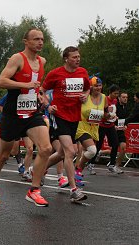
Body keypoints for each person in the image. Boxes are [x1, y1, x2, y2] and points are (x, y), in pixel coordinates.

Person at [0, 28, 52, 207]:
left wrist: (40, 95)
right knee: (4, 154)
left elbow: (37, 85)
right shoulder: (17, 59)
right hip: (13, 115)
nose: (40, 42)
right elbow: (1, 81)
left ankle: (34, 190)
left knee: (46, 148)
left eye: (42, 39)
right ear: (26, 41)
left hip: (31, 113)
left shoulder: (42, 61)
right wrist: (26, 84)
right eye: (36, 39)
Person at [41, 46, 90, 201]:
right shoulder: (55, 74)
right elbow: (41, 91)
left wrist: (85, 96)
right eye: (74, 57)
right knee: (70, 152)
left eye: (78, 57)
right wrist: (48, 106)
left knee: (62, 153)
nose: (77, 59)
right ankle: (74, 190)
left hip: (75, 117)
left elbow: (88, 89)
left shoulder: (83, 72)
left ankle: (39, 170)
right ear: (66, 59)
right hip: (60, 116)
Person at [74, 76, 111, 185]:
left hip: (94, 128)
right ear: (90, 86)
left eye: (99, 85)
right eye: (95, 86)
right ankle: (78, 170)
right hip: (82, 127)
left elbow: (105, 113)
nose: (98, 88)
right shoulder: (85, 97)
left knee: (87, 153)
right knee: (92, 151)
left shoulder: (104, 97)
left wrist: (109, 116)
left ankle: (76, 174)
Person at [90, 84, 121, 174]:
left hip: (110, 125)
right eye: (115, 93)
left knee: (115, 144)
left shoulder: (115, 101)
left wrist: (115, 117)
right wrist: (108, 116)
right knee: (98, 145)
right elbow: (100, 111)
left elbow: (113, 112)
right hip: (102, 125)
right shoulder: (104, 99)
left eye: (117, 94)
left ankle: (111, 165)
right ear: (110, 93)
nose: (116, 95)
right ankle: (91, 164)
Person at [114, 92, 129, 170]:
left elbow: (127, 119)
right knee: (114, 148)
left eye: (126, 97)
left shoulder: (126, 107)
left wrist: (126, 125)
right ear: (119, 98)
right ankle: (91, 162)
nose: (125, 99)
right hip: (112, 129)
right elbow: (109, 116)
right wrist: (114, 125)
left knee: (123, 148)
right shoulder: (115, 106)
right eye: (123, 97)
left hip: (120, 130)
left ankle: (116, 166)